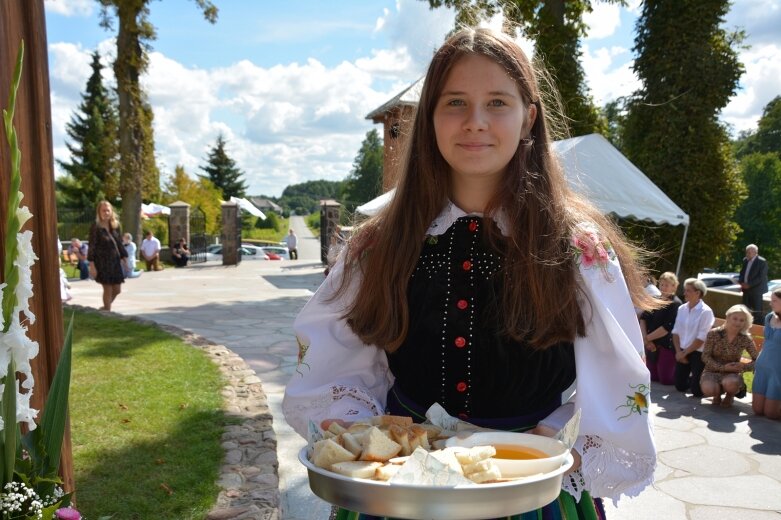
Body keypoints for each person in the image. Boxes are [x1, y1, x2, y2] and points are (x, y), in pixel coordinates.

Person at [283, 28, 658, 518]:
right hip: (401, 489)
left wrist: (546, 443)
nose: (475, 122)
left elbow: (614, 384)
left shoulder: (576, 247)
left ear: (529, 119)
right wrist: (374, 436)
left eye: (497, 102)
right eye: (454, 103)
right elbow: (334, 371)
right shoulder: (380, 245)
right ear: (431, 122)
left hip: (523, 487)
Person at [700, 305, 759, 407]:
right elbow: (705, 356)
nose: (737, 322)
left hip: (732, 373)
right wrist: (722, 367)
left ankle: (730, 395)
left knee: (731, 383)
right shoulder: (714, 334)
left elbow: (757, 360)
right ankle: (716, 395)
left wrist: (743, 367)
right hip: (712, 370)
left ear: (746, 322)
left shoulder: (745, 338)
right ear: (728, 318)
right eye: (735, 319)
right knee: (708, 389)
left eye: (742, 320)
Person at [672, 278, 715, 397]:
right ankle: (694, 378)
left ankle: (703, 380)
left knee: (697, 392)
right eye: (685, 290)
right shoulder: (682, 308)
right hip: (682, 350)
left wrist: (684, 353)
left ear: (698, 293)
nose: (684, 293)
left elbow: (701, 338)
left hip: (697, 352)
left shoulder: (706, 312)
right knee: (679, 386)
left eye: (688, 291)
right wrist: (678, 352)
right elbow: (675, 332)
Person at [640, 272, 682, 385]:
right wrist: (646, 339)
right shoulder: (655, 299)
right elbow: (643, 318)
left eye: (667, 285)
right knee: (652, 377)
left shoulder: (676, 304)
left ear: (674, 286)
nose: (663, 287)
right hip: (650, 343)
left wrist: (647, 339)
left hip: (665, 344)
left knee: (665, 380)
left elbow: (667, 327)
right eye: (662, 284)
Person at [87, 200, 128, 311]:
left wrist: (124, 258)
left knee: (117, 289)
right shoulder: (96, 227)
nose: (106, 213)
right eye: (103, 210)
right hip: (102, 262)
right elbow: (92, 246)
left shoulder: (115, 226)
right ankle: (108, 311)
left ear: (111, 211)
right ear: (99, 212)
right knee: (108, 288)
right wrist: (92, 265)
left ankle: (105, 308)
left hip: (115, 262)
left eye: (108, 210)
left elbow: (119, 243)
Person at [753, 288, 781, 419]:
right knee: (757, 410)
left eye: (774, 300)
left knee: (771, 414)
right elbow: (766, 342)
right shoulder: (769, 317)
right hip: (762, 367)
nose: (771, 303)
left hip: (778, 370)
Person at [738, 244, 769, 323]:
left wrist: (749, 284)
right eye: (746, 252)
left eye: (749, 252)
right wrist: (741, 282)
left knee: (757, 311)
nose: (747, 254)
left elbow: (761, 277)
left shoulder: (762, 262)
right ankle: (745, 326)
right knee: (745, 309)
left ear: (755, 252)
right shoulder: (745, 260)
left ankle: (757, 327)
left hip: (756, 290)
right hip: (745, 290)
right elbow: (742, 273)